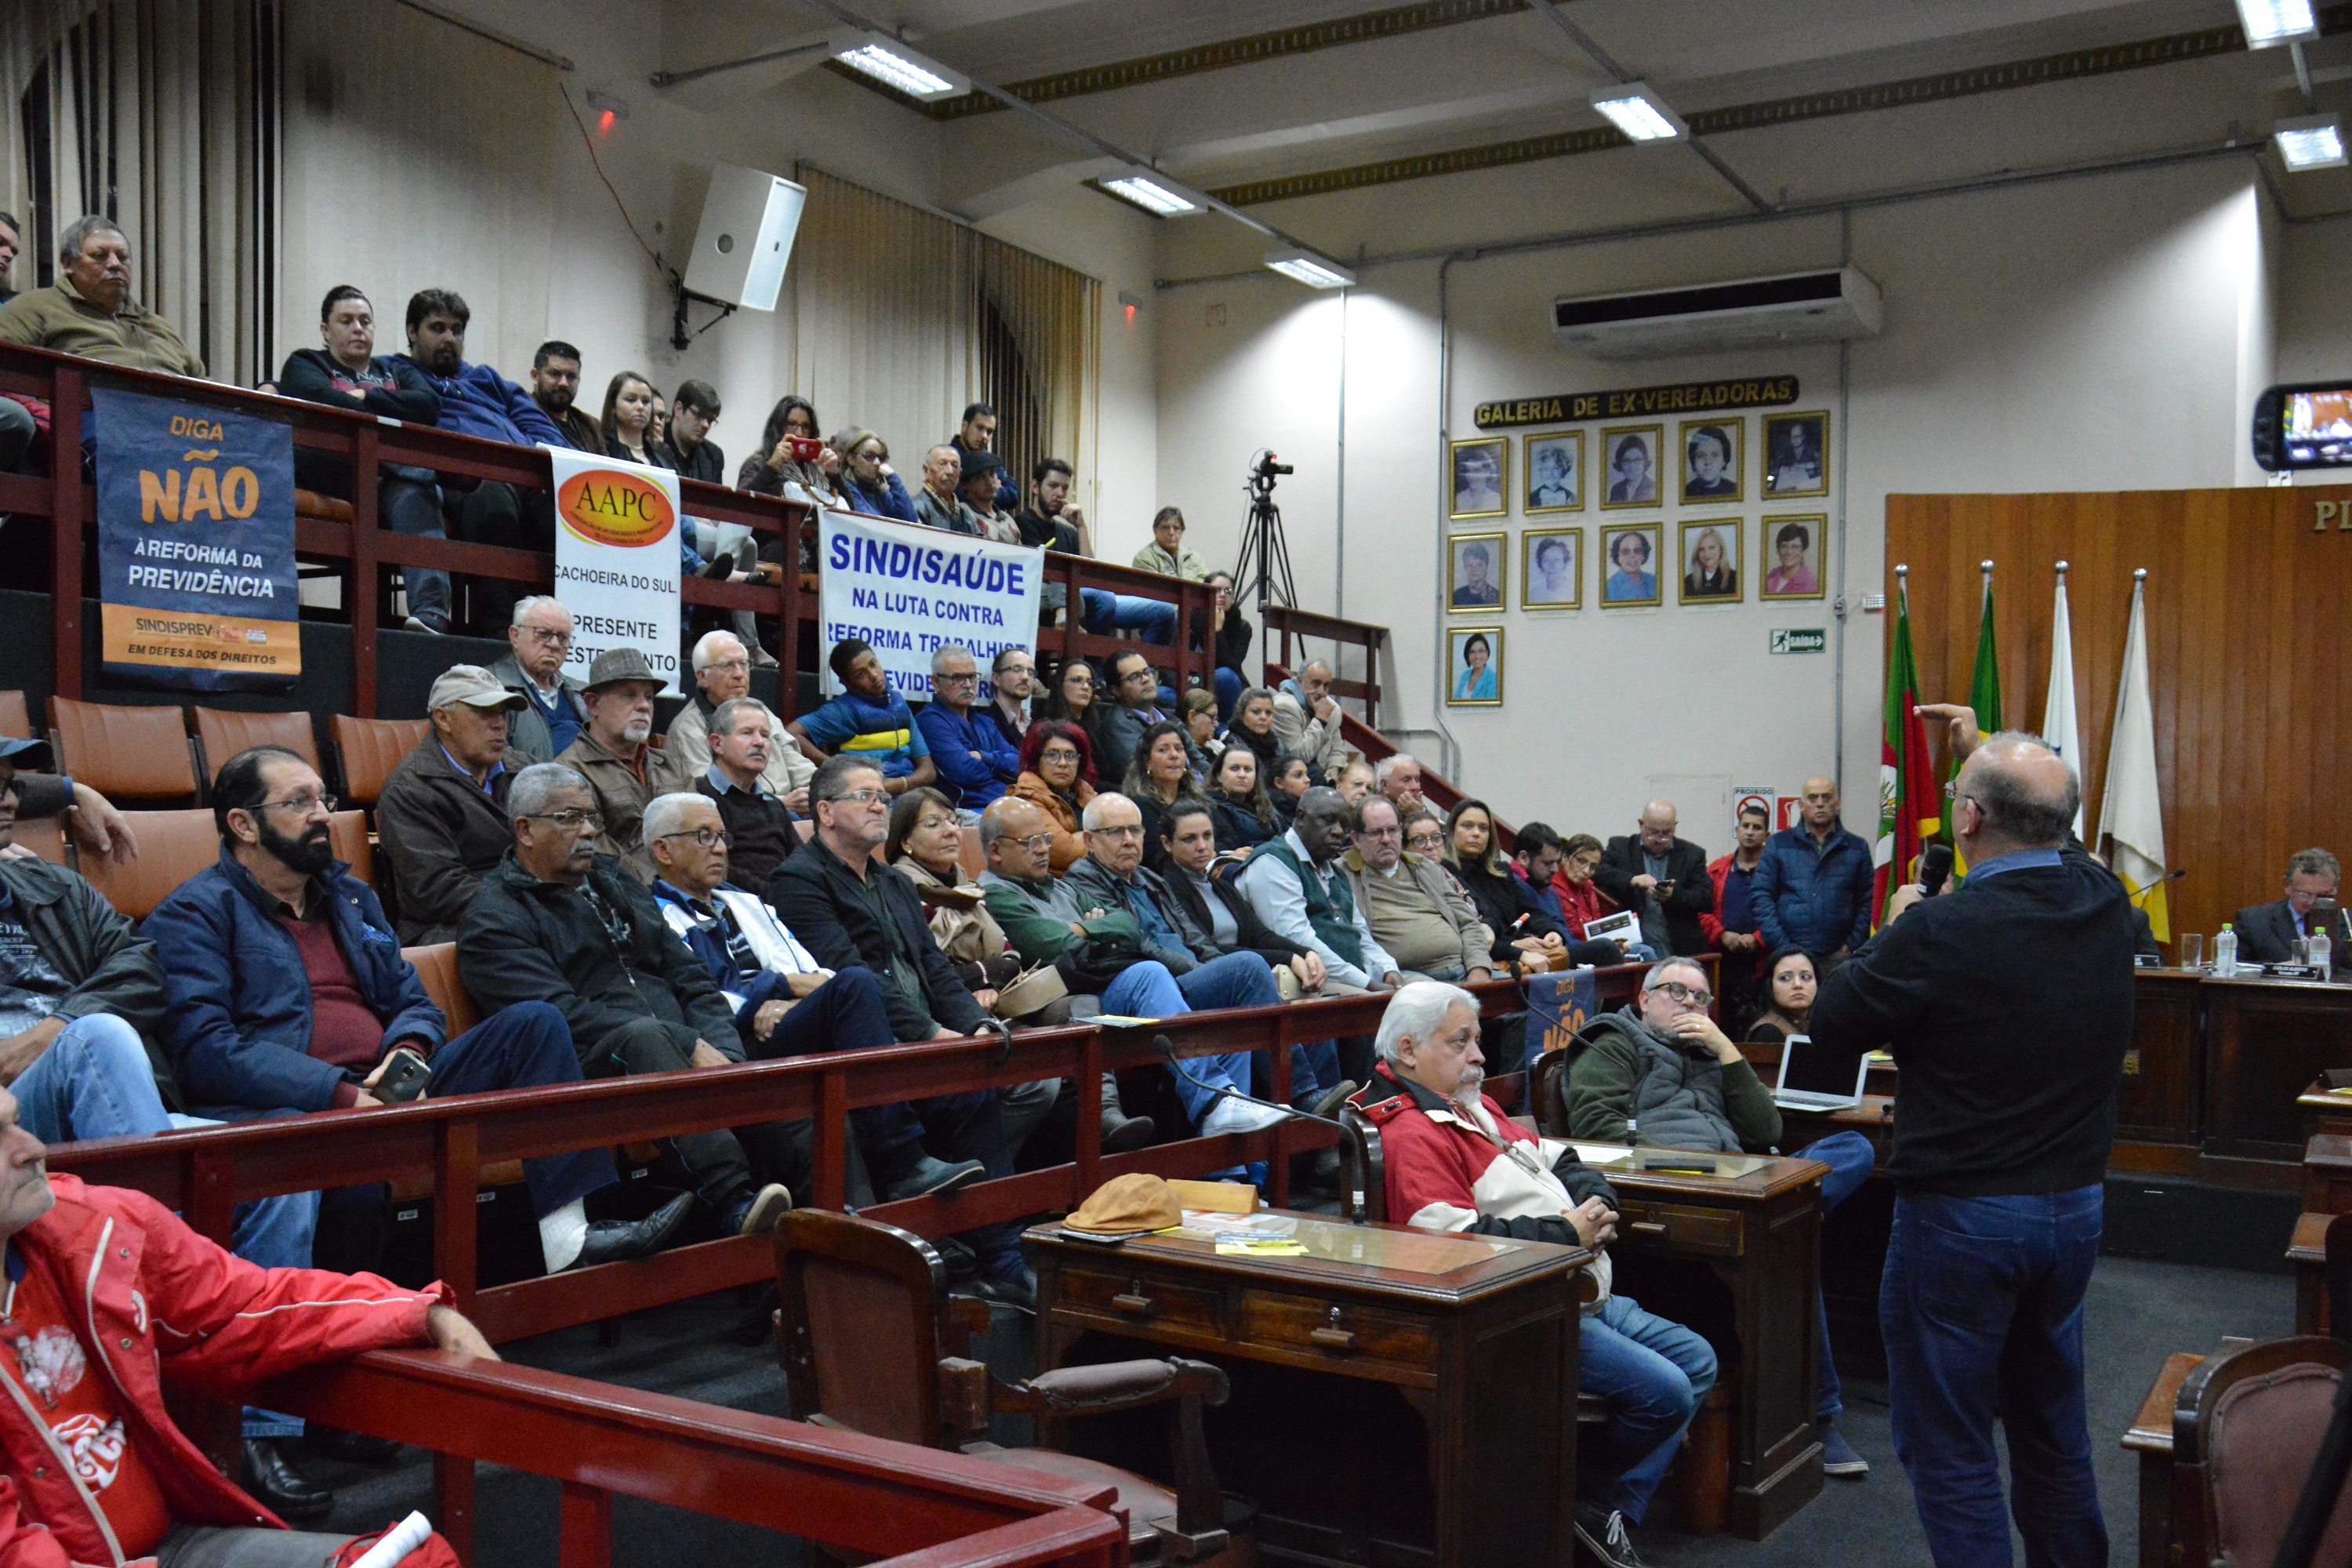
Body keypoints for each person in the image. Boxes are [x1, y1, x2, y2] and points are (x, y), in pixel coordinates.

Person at [1807, 717, 2134, 1564]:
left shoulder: (1939, 931)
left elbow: (1832, 1024)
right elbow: (2048, 830)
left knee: (1949, 1441)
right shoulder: (2106, 903)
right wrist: (1978, 757)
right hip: (2075, 1209)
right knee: (2051, 1423)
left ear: (1969, 821)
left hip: (1964, 1218)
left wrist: (1905, 918)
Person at [0, 1093, 495, 1568]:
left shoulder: (91, 1231)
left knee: (419, 1563)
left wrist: (421, 1314)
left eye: (17, 1123)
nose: (31, 1149)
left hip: (169, 1545)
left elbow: (248, 1304)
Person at [1354, 982, 1715, 1568]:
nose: (1479, 1056)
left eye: (1476, 1040)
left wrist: (1598, 1206)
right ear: (1408, 1049)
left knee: (1698, 1359)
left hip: (1579, 1284)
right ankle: (1577, 1502)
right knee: (1667, 1392)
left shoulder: (1469, 1101)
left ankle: (1593, 1508)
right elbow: (1446, 1241)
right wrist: (1566, 1235)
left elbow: (1557, 1157)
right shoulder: (1410, 1130)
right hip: (1526, 1307)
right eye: (1461, 1041)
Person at [1564, 956, 1877, 1482]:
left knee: (1854, 1147)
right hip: (1675, 1187)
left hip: (1743, 1177)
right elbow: (1595, 1132)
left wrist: (1727, 1051)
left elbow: (1763, 1128)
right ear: (1644, 998)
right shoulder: (1612, 1040)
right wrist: (1686, 1163)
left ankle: (1794, 1213)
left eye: (1701, 997)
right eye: (1675, 992)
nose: (1690, 1004)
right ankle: (1820, 1417)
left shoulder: (1711, 1050)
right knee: (1790, 1242)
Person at [456, 764, 793, 1244]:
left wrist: (724, 1052)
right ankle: (735, 1203)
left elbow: (690, 975)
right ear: (525, 830)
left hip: (679, 1045)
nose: (590, 830)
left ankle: (830, 1211)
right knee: (645, 1037)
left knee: (778, 1066)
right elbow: (560, 1017)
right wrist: (687, 1043)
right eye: (570, 818)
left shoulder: (614, 880)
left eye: (591, 816)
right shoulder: (496, 916)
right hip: (586, 1066)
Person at [768, 759, 1036, 1305]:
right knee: (867, 986)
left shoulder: (891, 879)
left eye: (882, 798)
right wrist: (933, 1033)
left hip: (921, 1039)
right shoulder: (798, 880)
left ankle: (1003, 1258)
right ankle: (951, 1228)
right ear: (824, 812)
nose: (878, 805)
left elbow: (933, 968)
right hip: (858, 1045)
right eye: (863, 796)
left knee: (990, 1083)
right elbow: (845, 973)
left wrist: (974, 1025)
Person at [644, 790, 989, 1205]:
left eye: (722, 835)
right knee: (857, 987)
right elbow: (704, 1003)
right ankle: (901, 1161)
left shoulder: (747, 902)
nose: (720, 847)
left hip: (788, 1028)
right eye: (704, 836)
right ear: (663, 850)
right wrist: (777, 989)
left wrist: (790, 996)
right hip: (734, 1048)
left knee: (859, 988)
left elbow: (819, 975)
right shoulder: (652, 918)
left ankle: (948, 1221)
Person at [1052, 795, 1349, 1129]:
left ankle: (1238, 1168)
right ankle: (1301, 1093)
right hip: (1144, 988)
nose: (1129, 840)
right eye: (1115, 832)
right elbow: (1137, 945)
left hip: (1184, 979)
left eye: (1135, 830)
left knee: (1250, 1021)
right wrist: (1206, 971)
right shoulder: (1083, 881)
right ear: (1090, 840)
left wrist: (1213, 969)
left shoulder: (1150, 880)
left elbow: (1196, 940)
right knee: (1247, 967)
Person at [390, 289, 568, 633]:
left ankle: (577, 631)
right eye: (437, 328)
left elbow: (541, 426)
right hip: (463, 479)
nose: (449, 338)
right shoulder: (398, 373)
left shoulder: (487, 379)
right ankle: (502, 630)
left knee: (576, 517)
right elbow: (342, 381)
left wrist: (538, 461)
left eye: (456, 330)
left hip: (526, 478)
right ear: (412, 331)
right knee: (492, 499)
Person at [274, 285, 451, 633]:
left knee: (415, 490)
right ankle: (413, 468)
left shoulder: (397, 370)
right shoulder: (306, 362)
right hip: (329, 466)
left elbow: (429, 406)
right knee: (418, 475)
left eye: (365, 321)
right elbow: (324, 402)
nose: (358, 328)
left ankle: (432, 615)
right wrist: (385, 403)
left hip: (384, 477)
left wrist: (363, 395)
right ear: (326, 331)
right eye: (347, 321)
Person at [376, 665, 532, 943]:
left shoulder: (525, 770)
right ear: (443, 720)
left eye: (502, 713)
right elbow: (440, 891)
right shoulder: (410, 789)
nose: (499, 724)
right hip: (449, 927)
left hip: (522, 908)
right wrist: (534, 901)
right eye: (484, 712)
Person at [1233, 788, 1405, 994]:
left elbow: (1361, 936)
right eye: (1328, 820)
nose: (1338, 831)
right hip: (1306, 984)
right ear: (1301, 818)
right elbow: (1296, 939)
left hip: (1353, 979)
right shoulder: (1272, 863)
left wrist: (1388, 969)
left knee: (1427, 994)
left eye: (1343, 823)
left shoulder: (1333, 870)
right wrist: (1368, 983)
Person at [0, 215, 203, 376]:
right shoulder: (35, 307)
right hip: (87, 418)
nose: (115, 264)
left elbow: (206, 385)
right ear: (68, 263)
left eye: (123, 257)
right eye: (99, 256)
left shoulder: (158, 325)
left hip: (175, 422)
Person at [554, 647, 689, 877]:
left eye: (648, 696)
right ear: (593, 704)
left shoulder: (670, 764)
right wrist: (668, 887)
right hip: (632, 900)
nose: (644, 706)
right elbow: (601, 859)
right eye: (629, 696)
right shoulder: (569, 773)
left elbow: (702, 833)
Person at [1341, 795, 1494, 984]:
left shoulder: (1425, 867)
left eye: (1392, 830)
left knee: (1535, 989)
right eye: (1376, 833)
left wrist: (1479, 970)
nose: (1387, 839)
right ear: (1357, 839)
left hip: (1464, 970)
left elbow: (1468, 924)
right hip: (1406, 977)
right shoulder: (1343, 875)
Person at [1445, 799, 1606, 972]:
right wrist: (1514, 945)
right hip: (1491, 955)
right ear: (1452, 831)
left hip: (1523, 950)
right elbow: (1474, 929)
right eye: (1467, 826)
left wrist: (1551, 932)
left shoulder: (1501, 871)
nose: (1476, 834)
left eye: (1483, 828)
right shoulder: (1445, 872)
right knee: (1604, 949)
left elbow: (1531, 911)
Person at [663, 630, 815, 810]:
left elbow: (796, 762)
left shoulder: (760, 713)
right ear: (702, 677)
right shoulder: (689, 729)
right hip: (738, 822)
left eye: (743, 664)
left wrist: (820, 788)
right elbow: (710, 800)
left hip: (787, 813)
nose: (739, 674)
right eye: (727, 666)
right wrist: (781, 805)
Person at [788, 638, 936, 797]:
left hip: (909, 796)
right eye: (860, 674)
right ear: (847, 683)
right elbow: (791, 733)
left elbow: (928, 771)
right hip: (869, 799)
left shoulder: (897, 702)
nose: (873, 675)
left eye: (873, 664)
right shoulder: (844, 711)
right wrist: (835, 768)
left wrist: (897, 784)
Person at [1751, 777, 1874, 966]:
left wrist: (1852, 944)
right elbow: (1761, 895)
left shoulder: (1857, 847)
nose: (1820, 804)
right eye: (1813, 798)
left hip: (1840, 956)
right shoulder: (1779, 844)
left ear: (1838, 804)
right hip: (1788, 954)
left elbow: (1868, 899)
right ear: (1801, 805)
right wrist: (1782, 946)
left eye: (1827, 798)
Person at [692, 695, 803, 893]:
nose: (760, 742)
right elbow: (717, 868)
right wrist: (775, 898)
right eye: (747, 733)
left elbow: (802, 862)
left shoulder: (774, 805)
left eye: (765, 735)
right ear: (717, 744)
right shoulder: (699, 799)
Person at [1595, 801, 1713, 958]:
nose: (1659, 839)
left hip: (1680, 947)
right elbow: (1598, 873)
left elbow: (1705, 898)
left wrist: (1673, 896)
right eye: (1653, 832)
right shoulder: (1620, 848)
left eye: (1666, 833)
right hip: (1633, 947)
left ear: (1675, 826)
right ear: (1641, 824)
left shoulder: (1692, 855)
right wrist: (1631, 880)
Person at [916, 644, 1021, 814]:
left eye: (972, 677)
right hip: (968, 810)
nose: (967, 685)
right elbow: (965, 772)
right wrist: (999, 768)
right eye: (957, 678)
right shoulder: (931, 721)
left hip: (1006, 803)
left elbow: (1020, 763)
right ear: (936, 682)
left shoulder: (985, 722)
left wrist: (986, 757)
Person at [492, 595, 591, 763]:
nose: (554, 645)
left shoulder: (584, 692)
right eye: (543, 634)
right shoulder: (490, 687)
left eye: (563, 638)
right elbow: (492, 756)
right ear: (515, 636)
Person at [1702, 803, 1773, 1029]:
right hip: (1723, 964)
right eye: (1745, 826)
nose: (1750, 832)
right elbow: (1702, 912)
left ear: (1767, 835)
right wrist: (1722, 935)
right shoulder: (1716, 870)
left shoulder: (1776, 871)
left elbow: (1784, 912)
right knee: (1723, 1026)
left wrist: (1758, 939)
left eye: (1757, 827)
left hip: (1762, 965)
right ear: (1737, 830)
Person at [1009, 719, 1098, 875]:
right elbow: (1064, 853)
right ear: (1037, 760)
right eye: (1052, 755)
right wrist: (1102, 838)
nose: (1063, 763)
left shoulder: (1085, 793)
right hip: (1061, 884)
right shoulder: (1027, 798)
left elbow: (1119, 841)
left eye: (1070, 755)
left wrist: (1080, 838)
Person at [2232, 847, 2347, 961]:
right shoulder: (2253, 921)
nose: (2312, 903)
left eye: (2322, 895)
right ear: (2287, 885)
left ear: (2335, 889)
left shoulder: (2349, 923)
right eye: (2305, 894)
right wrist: (2277, 970)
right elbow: (2236, 968)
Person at [1122, 720, 1202, 873]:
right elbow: (1157, 858)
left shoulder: (1196, 798)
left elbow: (1224, 834)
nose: (1174, 755)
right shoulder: (1141, 806)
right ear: (1148, 762)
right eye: (1163, 750)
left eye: (1179, 749)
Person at [740, 397, 843, 505]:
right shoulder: (758, 463)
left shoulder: (819, 468)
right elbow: (741, 505)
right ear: (777, 427)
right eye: (791, 424)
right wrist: (771, 467)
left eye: (805, 426)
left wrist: (834, 474)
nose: (799, 433)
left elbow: (850, 514)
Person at [1270, 662, 1359, 779]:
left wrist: (1335, 767)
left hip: (1319, 774)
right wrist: (1320, 720)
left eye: (1326, 686)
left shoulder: (1331, 708)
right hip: (1288, 777)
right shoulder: (1284, 707)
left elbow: (1337, 748)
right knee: (1316, 774)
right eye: (1315, 684)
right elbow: (1298, 757)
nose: (1321, 692)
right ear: (1300, 682)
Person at [1095, 648, 1171, 785]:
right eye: (1135, 677)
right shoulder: (1117, 725)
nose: (1146, 679)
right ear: (1116, 690)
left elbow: (1198, 760)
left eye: (1147, 672)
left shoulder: (1169, 717)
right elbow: (1143, 772)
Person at [528, 339, 603, 452]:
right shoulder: (522, 412)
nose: (564, 383)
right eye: (555, 374)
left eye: (571, 377)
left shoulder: (590, 425)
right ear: (535, 376)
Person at [829, 425, 915, 521]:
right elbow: (869, 523)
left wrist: (893, 478)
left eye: (882, 457)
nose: (877, 463)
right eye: (869, 456)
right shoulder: (845, 488)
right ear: (851, 459)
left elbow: (910, 520)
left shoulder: (880, 492)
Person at [1207, 746, 1281, 852]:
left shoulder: (1264, 804)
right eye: (1234, 768)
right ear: (1218, 775)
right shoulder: (1211, 807)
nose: (1242, 775)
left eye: (1248, 769)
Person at [949, 401, 1017, 512]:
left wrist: (981, 492)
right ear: (965, 426)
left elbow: (1013, 495)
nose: (984, 436)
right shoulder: (948, 458)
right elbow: (957, 496)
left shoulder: (989, 460)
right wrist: (994, 489)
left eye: (989, 432)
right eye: (979, 428)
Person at [1744, 944, 1818, 1044]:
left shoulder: (1819, 1026)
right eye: (1785, 978)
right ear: (1770, 986)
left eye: (1805, 977)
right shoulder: (1767, 1033)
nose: (1798, 985)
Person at [1554, 833, 1621, 942]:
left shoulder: (1588, 887)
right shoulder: (1552, 886)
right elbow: (1571, 933)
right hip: (1572, 948)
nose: (1586, 871)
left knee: (1641, 949)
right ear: (1565, 858)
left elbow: (1597, 926)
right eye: (1581, 861)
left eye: (1593, 866)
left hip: (1594, 945)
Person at [1204, 571, 1252, 717]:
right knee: (1163, 694)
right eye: (1217, 590)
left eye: (1228, 591)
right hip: (1195, 682)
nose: (1223, 595)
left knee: (1225, 676)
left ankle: (1224, 729)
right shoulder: (1190, 617)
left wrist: (1218, 631)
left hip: (1225, 682)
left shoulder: (1242, 627)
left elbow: (1232, 667)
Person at [663, 378, 725, 482]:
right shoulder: (653, 446)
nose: (705, 425)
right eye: (698, 415)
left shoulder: (714, 456)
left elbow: (716, 498)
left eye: (710, 420)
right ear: (678, 409)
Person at [955, 449, 1023, 545]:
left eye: (992, 474)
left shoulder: (1007, 519)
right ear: (965, 485)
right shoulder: (962, 514)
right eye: (980, 477)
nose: (990, 482)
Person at [914, 444, 982, 535]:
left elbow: (983, 547)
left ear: (959, 474)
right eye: (942, 464)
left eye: (955, 466)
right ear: (927, 471)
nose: (950, 471)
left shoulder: (966, 514)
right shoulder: (916, 508)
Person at [1132, 506, 1207, 580]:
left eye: (1176, 528)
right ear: (1155, 531)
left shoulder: (1194, 558)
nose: (1172, 533)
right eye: (1166, 528)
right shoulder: (1144, 558)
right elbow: (1152, 590)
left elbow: (1206, 586)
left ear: (1182, 532)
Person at [986, 647, 1036, 752]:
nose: (1025, 677)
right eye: (1017, 669)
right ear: (996, 679)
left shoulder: (1037, 727)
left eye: (1031, 672)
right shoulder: (984, 723)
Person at [1178, 688, 1223, 778]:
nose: (1216, 724)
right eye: (1212, 717)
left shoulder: (1218, 750)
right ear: (1192, 717)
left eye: (1216, 718)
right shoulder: (1180, 754)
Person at [1765, 522, 1819, 596]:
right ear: (1778, 550)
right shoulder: (1771, 576)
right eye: (1784, 546)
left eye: (1795, 547)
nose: (1789, 552)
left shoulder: (1810, 585)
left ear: (1804, 551)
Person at [1682, 425, 1737, 499]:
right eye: (1701, 456)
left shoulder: (1734, 489)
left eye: (1714, 455)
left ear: (1724, 460)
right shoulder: (1684, 492)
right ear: (1693, 461)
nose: (1708, 462)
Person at [1768, 418, 1823, 492]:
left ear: (1803, 436)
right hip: (1787, 488)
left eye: (1797, 436)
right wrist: (1782, 470)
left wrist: (1805, 466)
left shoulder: (1812, 450)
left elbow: (1822, 466)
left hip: (1809, 488)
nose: (1794, 439)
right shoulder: (1784, 451)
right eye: (1792, 437)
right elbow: (1773, 469)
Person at [1682, 525, 1736, 598]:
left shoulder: (1734, 579)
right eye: (1702, 549)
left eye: (1712, 548)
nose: (1707, 554)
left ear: (1721, 550)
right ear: (1697, 553)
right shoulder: (1688, 582)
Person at [1602, 532, 1656, 604]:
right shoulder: (1609, 586)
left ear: (1643, 555)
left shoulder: (1654, 581)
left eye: (1637, 550)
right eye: (1625, 551)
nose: (1632, 555)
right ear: (1618, 556)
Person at [1376, 754, 1429, 822]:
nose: (1415, 787)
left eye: (1417, 779)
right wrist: (1416, 817)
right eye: (1406, 780)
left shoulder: (1421, 810)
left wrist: (1419, 814)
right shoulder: (1371, 814)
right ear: (1385, 785)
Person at [1606, 434, 1655, 505]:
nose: (1631, 465)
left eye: (1637, 460)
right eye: (1627, 460)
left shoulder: (1653, 487)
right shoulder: (1616, 489)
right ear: (1620, 463)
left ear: (1645, 462)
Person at [1529, 533, 1577, 603]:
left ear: (1564, 563)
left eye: (1556, 560)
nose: (1551, 565)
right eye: (1547, 560)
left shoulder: (1573, 590)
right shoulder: (1534, 593)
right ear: (1541, 564)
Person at [1452, 448, 1503, 514]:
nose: (1471, 476)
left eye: (1476, 471)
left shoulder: (1496, 499)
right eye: (1469, 471)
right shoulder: (1460, 498)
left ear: (1487, 472)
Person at [1451, 540, 1501, 606]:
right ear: (1465, 567)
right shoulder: (1456, 596)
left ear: (1486, 566)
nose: (1474, 569)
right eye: (1470, 565)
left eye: (1479, 565)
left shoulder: (1496, 597)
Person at [1530, 442, 1577, 510]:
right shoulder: (1532, 498)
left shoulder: (1572, 497)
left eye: (1556, 468)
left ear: (1564, 470)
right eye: (1546, 469)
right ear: (1541, 471)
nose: (1550, 473)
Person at [1269, 756, 1312, 826]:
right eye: (1298, 775)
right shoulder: (1272, 814)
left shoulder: (1308, 807)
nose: (1308, 780)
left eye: (1307, 774)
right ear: (1279, 783)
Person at [1453, 633, 1497, 701]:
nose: (1477, 656)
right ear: (1467, 655)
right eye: (1472, 652)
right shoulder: (1465, 675)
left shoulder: (1493, 679)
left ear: (1487, 653)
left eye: (1481, 651)